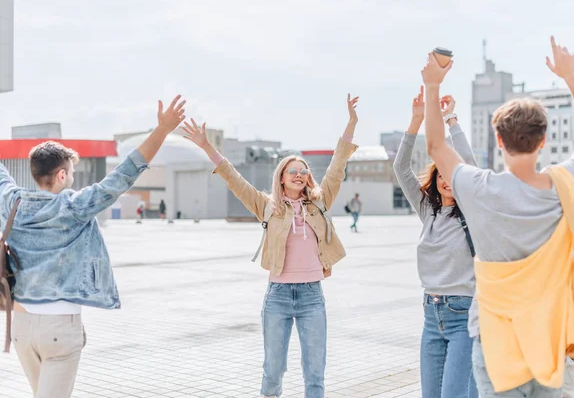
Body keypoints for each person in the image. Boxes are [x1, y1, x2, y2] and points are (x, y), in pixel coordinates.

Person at [421, 37, 574, 397]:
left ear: (498, 140)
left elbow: (437, 146)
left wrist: (432, 84)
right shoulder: (566, 182)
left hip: (496, 337)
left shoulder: (477, 187)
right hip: (550, 333)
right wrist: (572, 78)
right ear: (543, 141)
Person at [1, 95, 186, 398]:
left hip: (20, 326)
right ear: (62, 175)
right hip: (59, 327)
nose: (72, 179)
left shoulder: (13, 202)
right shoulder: (76, 206)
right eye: (71, 174)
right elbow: (126, 172)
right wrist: (163, 130)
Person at [182, 94, 359, 398]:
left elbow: (337, 166)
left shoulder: (320, 201)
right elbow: (235, 180)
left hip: (312, 295)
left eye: (304, 171)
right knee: (273, 371)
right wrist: (207, 146)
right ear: (281, 176)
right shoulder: (267, 205)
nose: (300, 174)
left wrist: (351, 123)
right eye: (293, 170)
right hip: (277, 295)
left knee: (315, 373)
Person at [394, 88, 478, 398]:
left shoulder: (470, 209)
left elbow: (468, 163)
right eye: (440, 173)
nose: (446, 179)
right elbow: (400, 168)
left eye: (451, 173)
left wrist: (450, 119)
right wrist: (415, 121)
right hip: (432, 313)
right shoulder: (427, 209)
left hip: (464, 312)